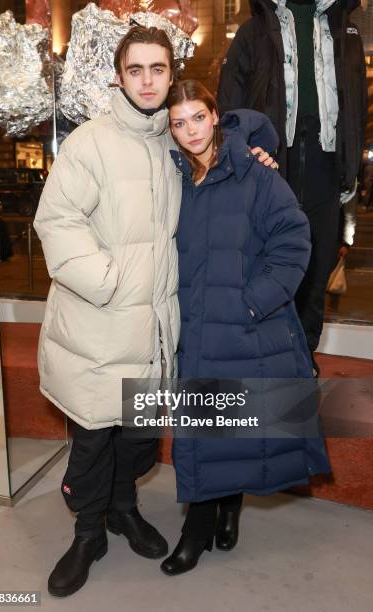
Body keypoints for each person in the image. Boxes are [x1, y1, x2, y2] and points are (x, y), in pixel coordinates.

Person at [34, 27, 276, 597]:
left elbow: (221, 150)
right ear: (119, 75)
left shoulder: (174, 142)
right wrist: (108, 281)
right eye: (135, 69)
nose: (147, 80)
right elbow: (57, 222)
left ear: (172, 74)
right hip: (102, 320)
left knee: (138, 436)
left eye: (158, 69)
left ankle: (124, 510)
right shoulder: (90, 143)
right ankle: (88, 533)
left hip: (158, 326)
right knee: (94, 438)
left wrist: (253, 153)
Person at [160, 79, 331, 576]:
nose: (190, 130)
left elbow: (295, 241)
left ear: (216, 116)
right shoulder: (170, 176)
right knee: (206, 426)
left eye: (197, 117)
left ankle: (208, 519)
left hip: (239, 326)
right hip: (191, 325)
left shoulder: (256, 173)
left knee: (224, 427)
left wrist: (252, 304)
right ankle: (214, 512)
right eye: (178, 122)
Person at [217, 0, 367, 376]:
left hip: (325, 164)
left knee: (316, 269)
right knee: (266, 265)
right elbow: (230, 103)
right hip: (269, 163)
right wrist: (240, 159)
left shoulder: (345, 30)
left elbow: (356, 104)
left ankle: (303, 356)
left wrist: (351, 168)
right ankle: (266, 353)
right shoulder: (254, 31)